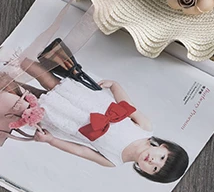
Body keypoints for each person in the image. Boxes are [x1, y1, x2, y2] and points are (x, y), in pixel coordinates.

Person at [10, 59, 188, 183]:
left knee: (28, 100)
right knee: (50, 81)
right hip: (88, 102)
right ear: (163, 146)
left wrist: (51, 140)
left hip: (70, 121)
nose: (153, 161)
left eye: (155, 169)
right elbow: (128, 106)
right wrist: (115, 86)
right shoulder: (145, 129)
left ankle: (5, 79)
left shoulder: (114, 161)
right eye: (162, 157)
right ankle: (15, 58)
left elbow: (81, 151)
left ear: (146, 173)